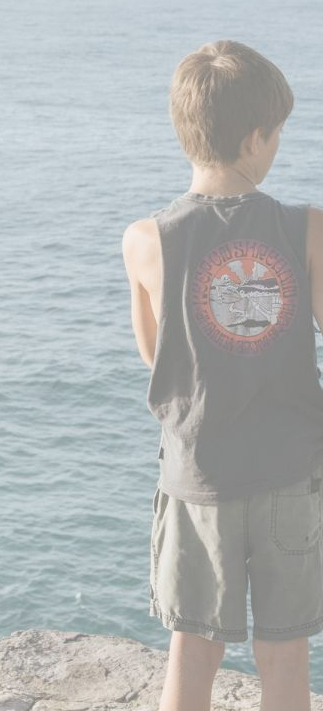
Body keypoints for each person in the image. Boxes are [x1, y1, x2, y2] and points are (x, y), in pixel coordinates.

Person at [122, 40, 323, 711]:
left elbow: (157, 357)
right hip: (290, 476)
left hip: (198, 478)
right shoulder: (308, 231)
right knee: (285, 658)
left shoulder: (147, 239)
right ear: (256, 137)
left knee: (193, 654)